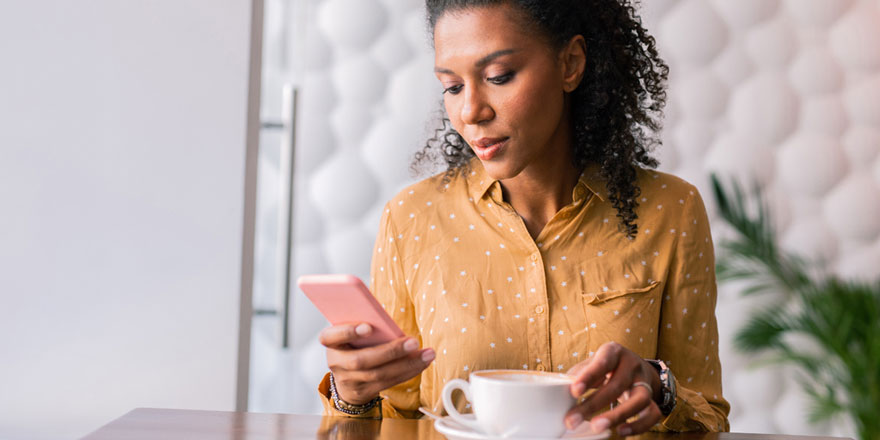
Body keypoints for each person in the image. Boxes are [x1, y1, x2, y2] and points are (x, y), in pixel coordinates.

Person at [317, 0, 731, 435]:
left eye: (498, 77)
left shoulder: (671, 211)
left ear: (570, 64)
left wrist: (659, 387)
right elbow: (395, 421)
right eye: (452, 86)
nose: (471, 111)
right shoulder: (411, 219)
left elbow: (708, 417)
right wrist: (352, 395)